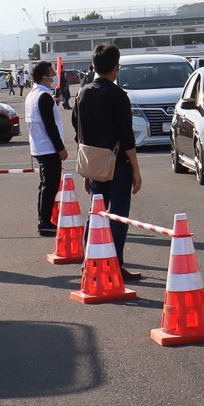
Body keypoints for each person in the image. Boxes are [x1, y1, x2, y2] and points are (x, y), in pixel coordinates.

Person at [71, 44, 144, 280]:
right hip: (118, 163)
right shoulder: (118, 95)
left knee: (96, 213)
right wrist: (136, 170)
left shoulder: (82, 93)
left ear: (93, 67)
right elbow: (127, 137)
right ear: (116, 68)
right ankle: (115, 265)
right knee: (118, 216)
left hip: (93, 162)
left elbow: (77, 130)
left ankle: (89, 263)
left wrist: (88, 170)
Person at [23, 59, 67, 237]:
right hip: (48, 148)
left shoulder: (33, 95)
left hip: (39, 146)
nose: (55, 76)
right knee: (50, 186)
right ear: (44, 78)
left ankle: (44, 220)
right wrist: (60, 148)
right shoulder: (44, 97)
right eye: (52, 74)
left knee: (45, 185)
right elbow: (50, 125)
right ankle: (45, 223)